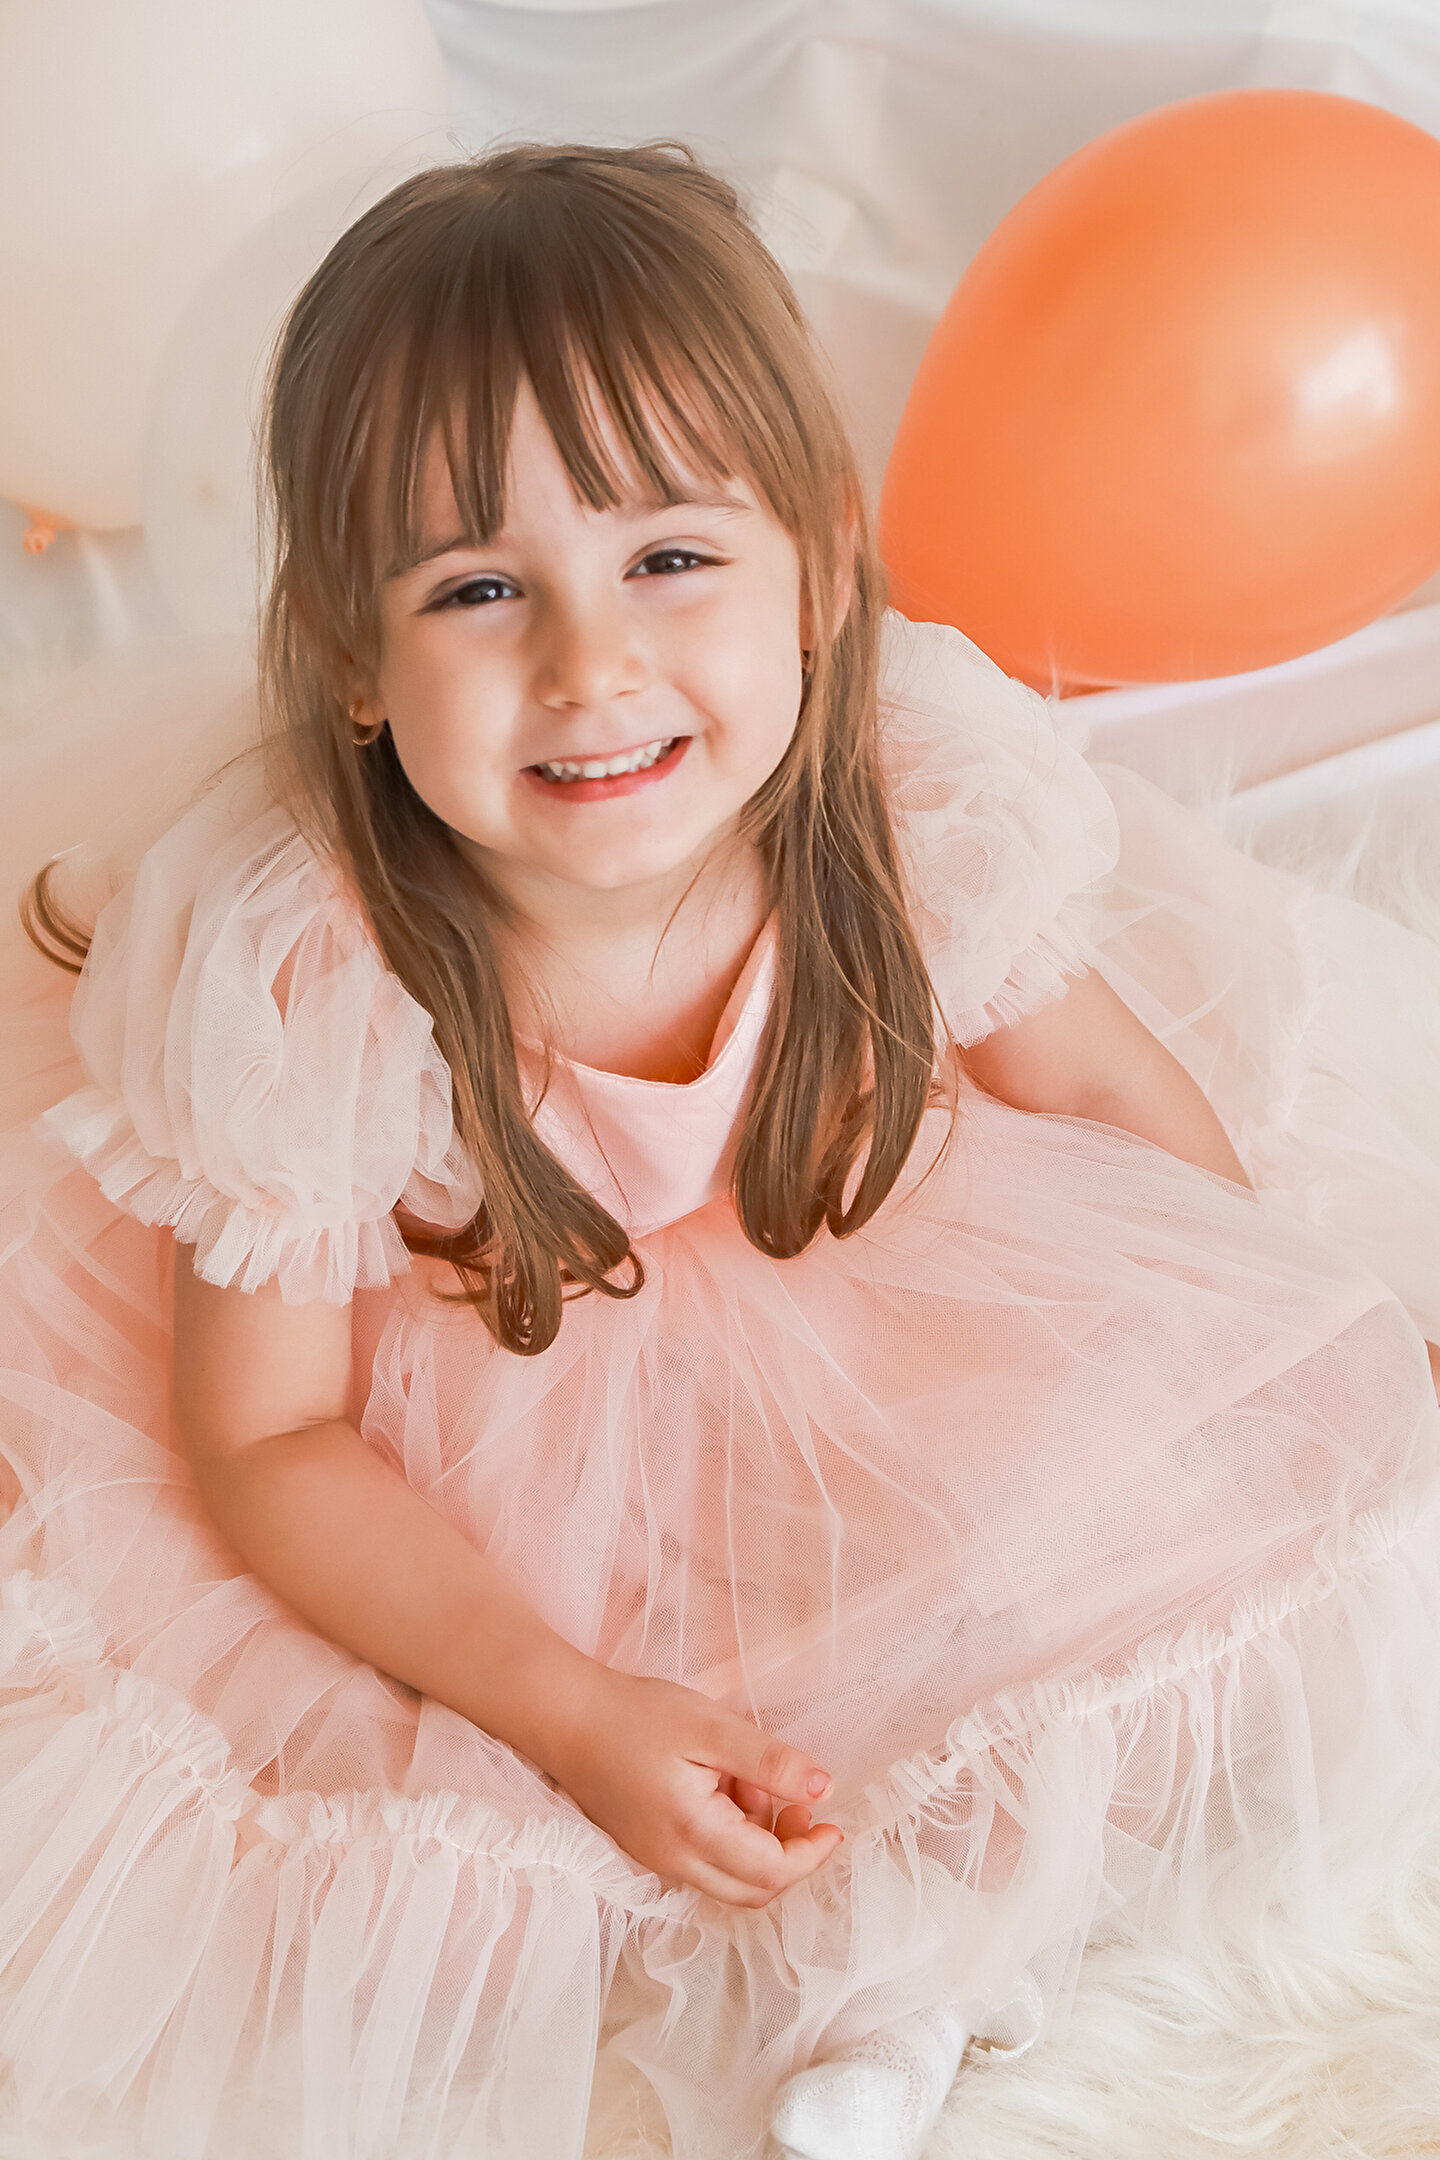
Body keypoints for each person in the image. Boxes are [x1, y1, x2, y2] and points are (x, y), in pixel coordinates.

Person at [2, 141, 1439, 2160]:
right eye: (477, 590)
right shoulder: (303, 970)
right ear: (347, 655)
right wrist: (567, 1705)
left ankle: (971, 1950)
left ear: (821, 566)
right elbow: (266, 1440)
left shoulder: (901, 787)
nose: (589, 668)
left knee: (1155, 1496)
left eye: (670, 557)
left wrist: (1261, 1353)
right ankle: (867, 1980)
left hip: (889, 1304)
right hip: (499, 1422)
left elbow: (1110, 1106)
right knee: (564, 1800)